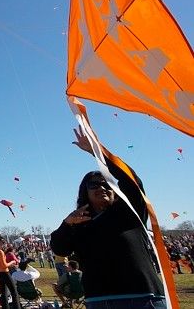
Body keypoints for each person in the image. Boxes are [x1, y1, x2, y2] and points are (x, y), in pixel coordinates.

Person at [50, 127, 166, 308]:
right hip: (100, 299)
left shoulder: (128, 213)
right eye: (94, 185)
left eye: (107, 185)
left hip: (144, 297)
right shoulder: (80, 224)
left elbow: (131, 181)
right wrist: (67, 224)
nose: (102, 188)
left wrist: (97, 150)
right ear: (85, 193)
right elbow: (59, 248)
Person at [0, 235, 20, 309]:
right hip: (4, 273)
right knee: (14, 292)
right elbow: (4, 265)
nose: (3, 244)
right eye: (2, 242)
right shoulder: (0, 251)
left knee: (4, 293)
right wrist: (12, 262)